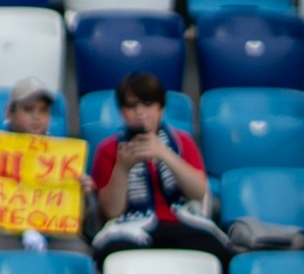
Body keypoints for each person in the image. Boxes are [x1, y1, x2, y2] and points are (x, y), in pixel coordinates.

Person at [0, 80, 95, 271]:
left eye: (43, 111)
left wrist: (83, 194)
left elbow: (81, 219)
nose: (36, 117)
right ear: (10, 113)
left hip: (55, 232)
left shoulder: (65, 157)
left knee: (81, 256)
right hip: (3, 231)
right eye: (28, 109)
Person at [91, 71, 223, 259]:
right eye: (131, 106)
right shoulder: (108, 149)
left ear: (160, 108)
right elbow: (111, 212)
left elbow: (198, 191)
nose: (140, 113)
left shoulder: (181, 141)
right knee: (114, 254)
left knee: (214, 250)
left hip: (180, 222)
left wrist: (165, 154)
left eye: (147, 104)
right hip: (131, 226)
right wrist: (122, 167)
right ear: (122, 112)